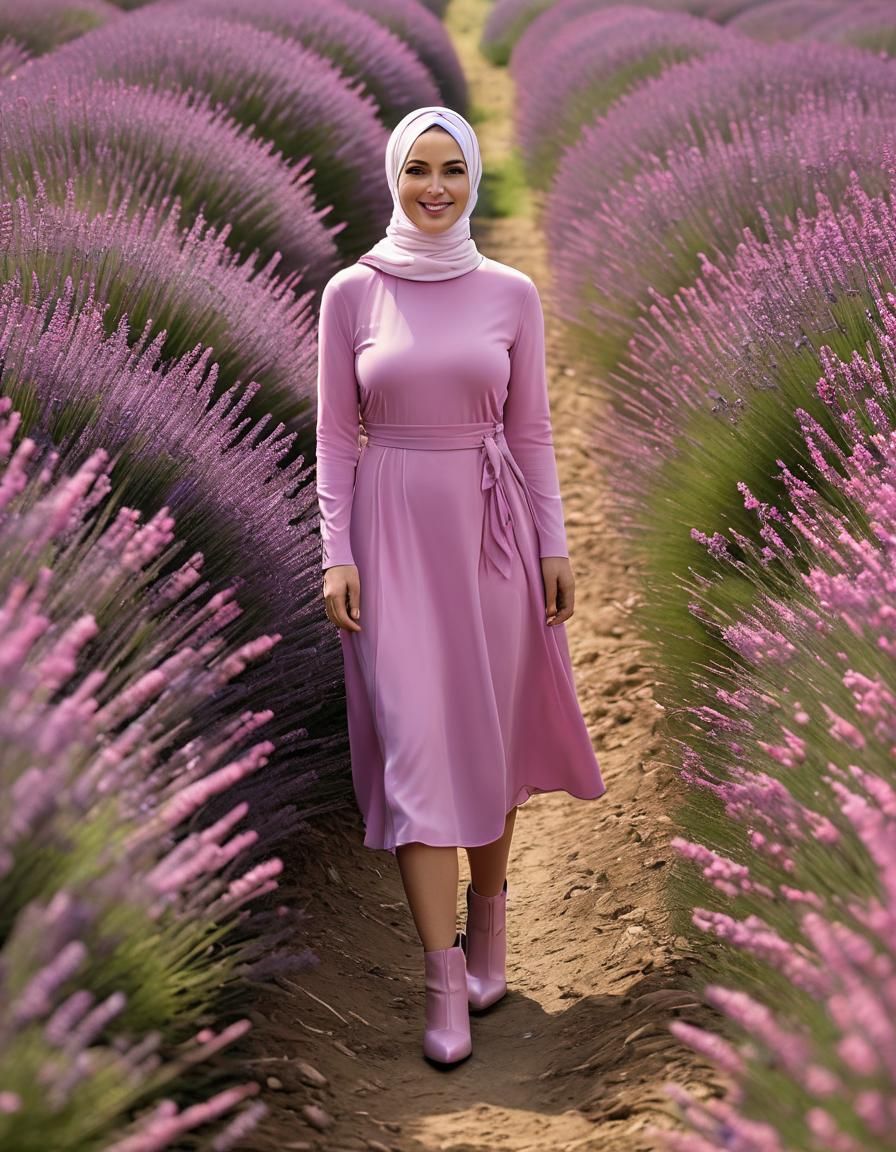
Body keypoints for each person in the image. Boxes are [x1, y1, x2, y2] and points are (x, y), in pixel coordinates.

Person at [315, 105, 606, 1067]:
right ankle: (441, 983)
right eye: (417, 170)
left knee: (487, 731)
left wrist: (554, 544)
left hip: (494, 531)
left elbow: (531, 433)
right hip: (390, 530)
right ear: (394, 176)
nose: (435, 188)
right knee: (416, 747)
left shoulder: (510, 292)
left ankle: (491, 925)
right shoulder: (351, 294)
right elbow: (332, 438)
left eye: (451, 170)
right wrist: (334, 552)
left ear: (472, 177)